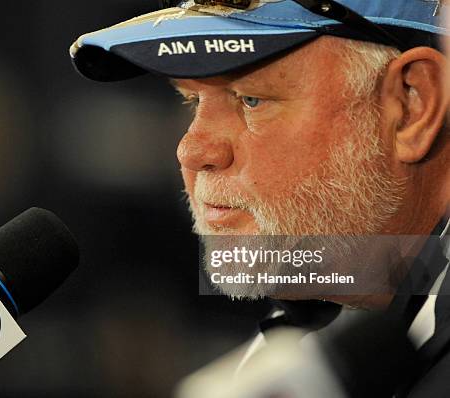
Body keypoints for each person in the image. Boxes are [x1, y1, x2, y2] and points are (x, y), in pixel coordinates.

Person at [70, 0, 449, 396]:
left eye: (251, 99)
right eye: (193, 101)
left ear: (411, 105)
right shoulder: (313, 328)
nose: (191, 151)